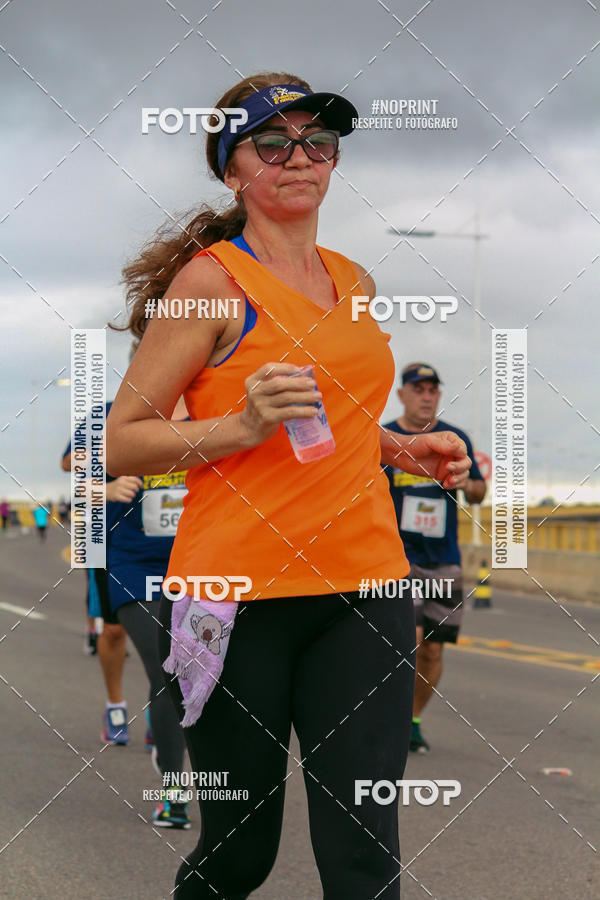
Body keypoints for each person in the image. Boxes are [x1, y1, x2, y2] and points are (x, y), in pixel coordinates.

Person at [106, 72, 470, 898]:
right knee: (241, 851)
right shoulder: (209, 285)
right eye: (272, 144)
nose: (298, 158)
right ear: (233, 169)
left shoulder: (356, 282)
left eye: (317, 141)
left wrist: (401, 450)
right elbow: (122, 444)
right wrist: (238, 426)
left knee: (365, 855)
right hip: (236, 598)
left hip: (367, 588)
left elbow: (335, 422)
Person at [384, 363, 486, 754]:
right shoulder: (386, 439)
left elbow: (478, 493)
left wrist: (466, 481)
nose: (426, 396)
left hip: (443, 558)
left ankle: (411, 721)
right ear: (403, 395)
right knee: (406, 642)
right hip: (399, 558)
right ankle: (388, 719)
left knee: (432, 649)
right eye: (418, 389)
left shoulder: (455, 437)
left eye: (432, 390)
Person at [62, 424, 130, 739]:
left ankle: (162, 718)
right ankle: (115, 705)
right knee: (115, 631)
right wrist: (105, 479)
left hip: (171, 543)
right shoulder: (103, 416)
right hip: (109, 541)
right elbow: (68, 464)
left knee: (174, 636)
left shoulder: (194, 409)